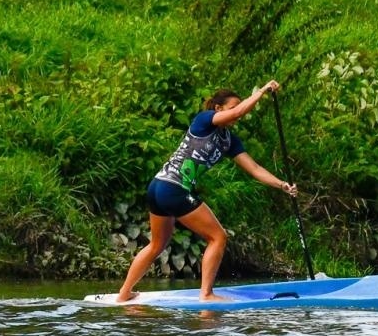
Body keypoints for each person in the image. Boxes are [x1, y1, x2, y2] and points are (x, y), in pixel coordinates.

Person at [116, 82, 297, 303]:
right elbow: (239, 112)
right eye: (232, 107)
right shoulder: (205, 119)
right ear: (218, 109)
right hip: (172, 188)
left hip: (160, 186)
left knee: (157, 244)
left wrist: (282, 184)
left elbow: (255, 168)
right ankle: (206, 294)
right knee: (218, 237)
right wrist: (261, 91)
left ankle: (124, 294)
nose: (237, 114)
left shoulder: (229, 141)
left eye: (237, 108)